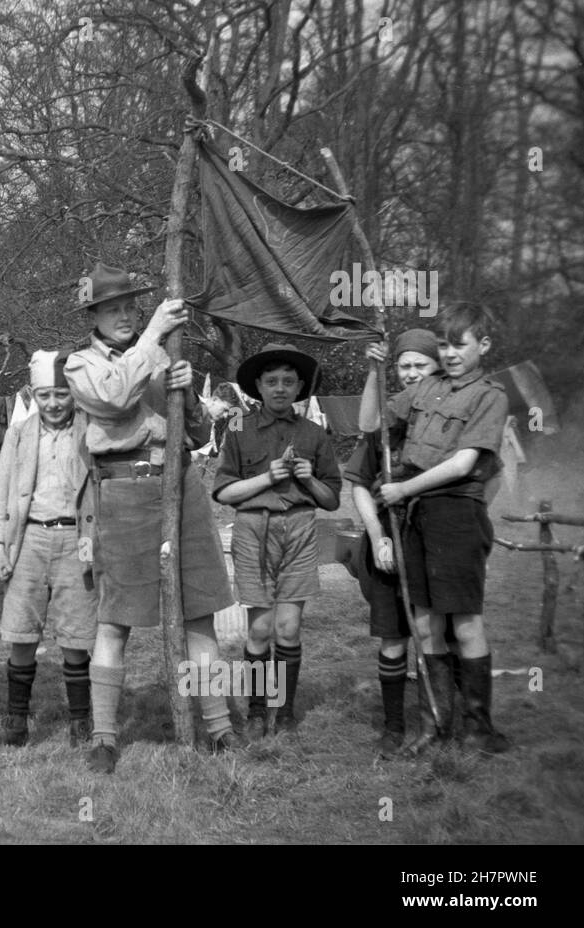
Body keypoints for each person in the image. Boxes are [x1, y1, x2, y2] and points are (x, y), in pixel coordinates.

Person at [64, 263, 243, 774]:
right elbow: (115, 396)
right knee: (115, 620)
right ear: (93, 316)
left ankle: (219, 727)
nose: (123, 315)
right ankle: (103, 736)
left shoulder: (162, 353)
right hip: (122, 492)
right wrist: (152, 339)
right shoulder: (79, 364)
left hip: (179, 485)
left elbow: (188, 435)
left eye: (128, 306)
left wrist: (185, 396)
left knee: (199, 613)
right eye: (111, 309)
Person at [360, 305, 511, 754]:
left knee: (464, 623)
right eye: (442, 344)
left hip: (456, 513)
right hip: (418, 515)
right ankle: (434, 724)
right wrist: (373, 370)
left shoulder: (490, 395)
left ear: (482, 346)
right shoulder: (427, 386)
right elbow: (370, 425)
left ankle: (478, 728)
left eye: (458, 344)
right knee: (426, 625)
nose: (448, 353)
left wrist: (402, 488)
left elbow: (464, 463)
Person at [213, 344, 342, 739]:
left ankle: (283, 712)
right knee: (260, 630)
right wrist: (268, 478)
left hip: (300, 530)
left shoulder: (314, 434)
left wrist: (307, 478)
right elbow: (223, 493)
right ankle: (255, 712)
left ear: (301, 386)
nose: (280, 388)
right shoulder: (238, 429)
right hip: (253, 531)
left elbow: (331, 500)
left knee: (288, 629)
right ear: (258, 387)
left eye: (289, 381)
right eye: (272, 381)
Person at [0, 350, 96, 748]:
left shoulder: (90, 430)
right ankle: (16, 723)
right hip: (28, 539)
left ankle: (81, 723)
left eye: (61, 394)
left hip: (76, 540)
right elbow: (3, 491)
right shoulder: (19, 433)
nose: (53, 403)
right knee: (21, 632)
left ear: (74, 393)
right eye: (45, 395)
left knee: (77, 635)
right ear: (34, 393)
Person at [343, 329, 444, 755]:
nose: (411, 373)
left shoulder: (448, 417)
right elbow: (360, 484)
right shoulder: (388, 424)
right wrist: (378, 535)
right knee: (393, 637)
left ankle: (439, 722)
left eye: (421, 365)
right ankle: (393, 727)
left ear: (438, 367)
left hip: (435, 536)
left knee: (436, 633)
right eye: (404, 366)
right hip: (390, 537)